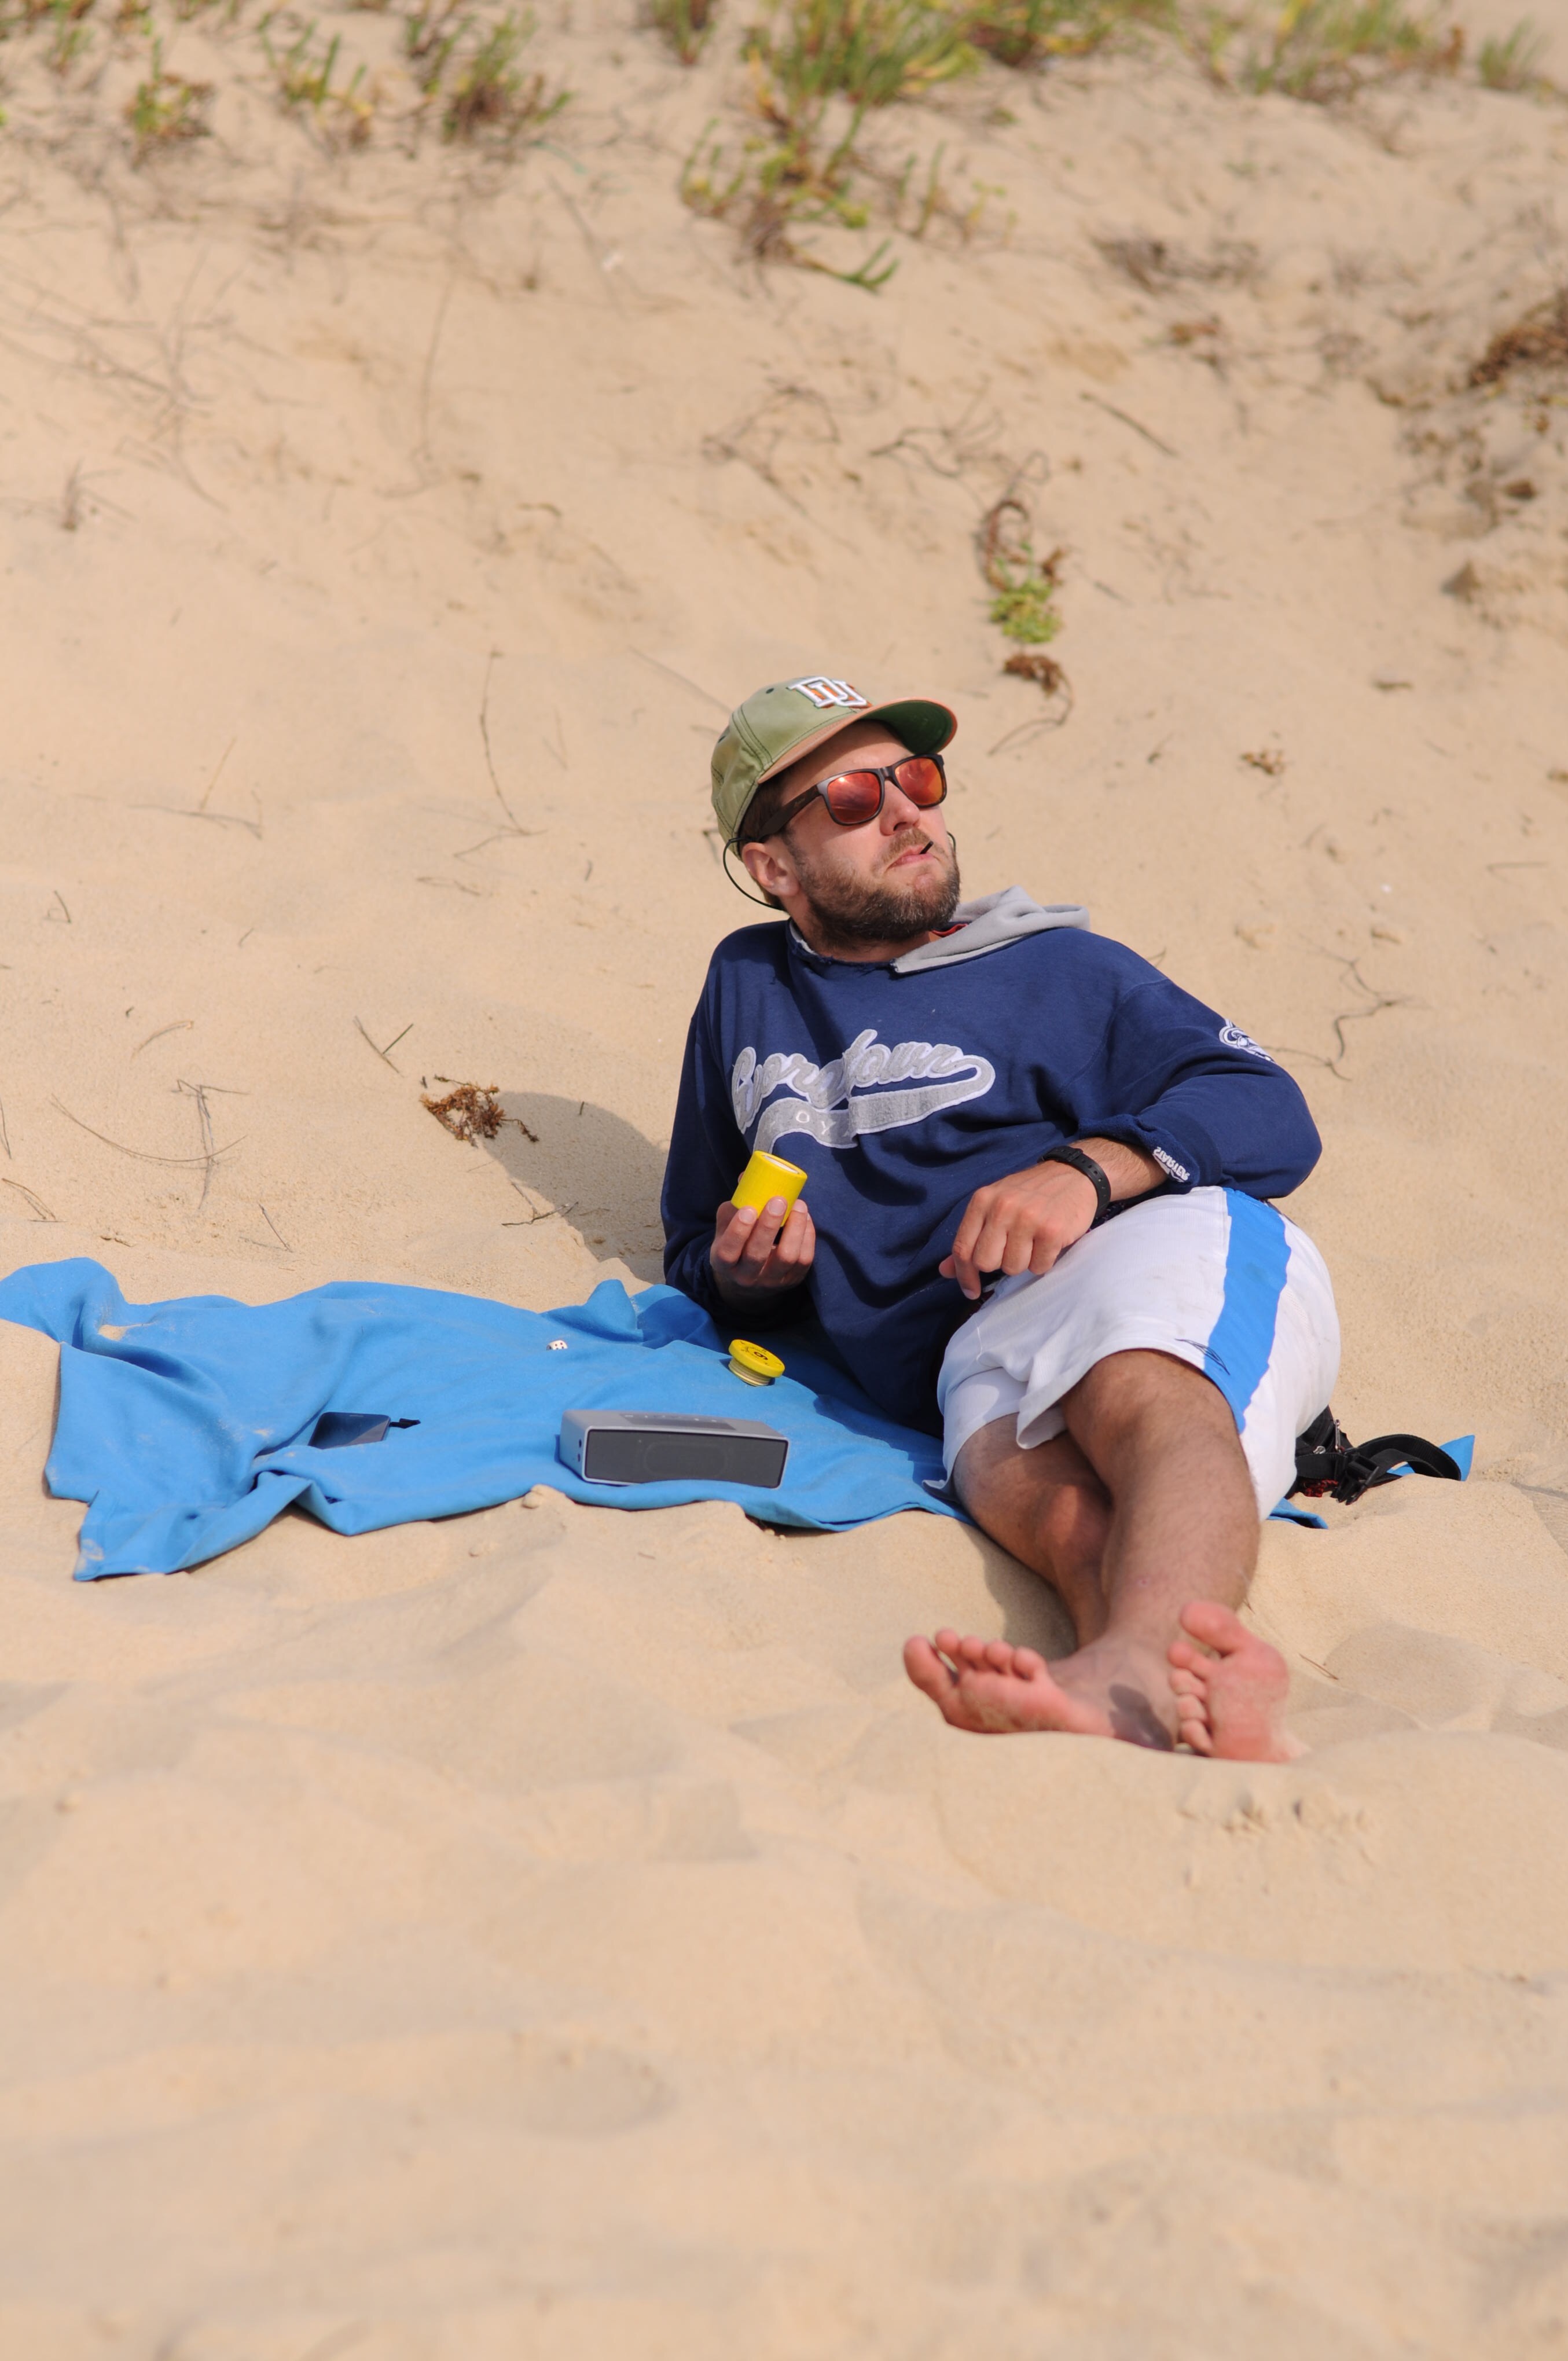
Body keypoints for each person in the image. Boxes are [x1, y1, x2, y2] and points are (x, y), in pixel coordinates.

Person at [661, 675, 1339, 1761]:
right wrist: (752, 1277)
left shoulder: (1059, 967)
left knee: (1135, 1391)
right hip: (960, 1346)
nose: (904, 812)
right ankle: (1148, 1702)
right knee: (1037, 1502)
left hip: (1133, 1249)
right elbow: (695, 1242)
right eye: (853, 798)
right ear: (773, 867)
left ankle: (1133, 1668)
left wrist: (1086, 1170)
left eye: (916, 780)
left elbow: (1268, 1109)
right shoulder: (745, 985)